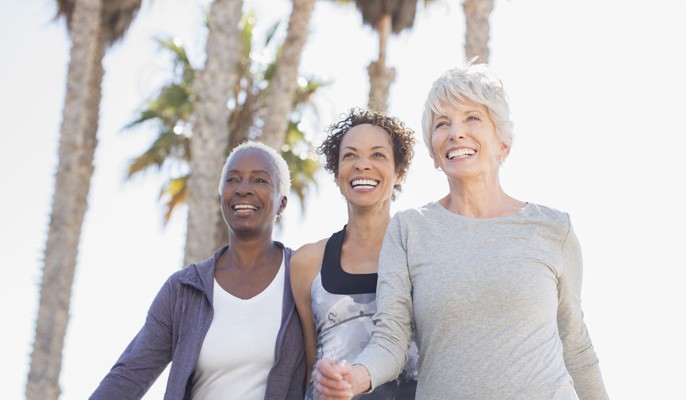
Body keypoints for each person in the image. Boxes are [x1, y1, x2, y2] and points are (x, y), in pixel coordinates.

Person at [312, 63, 609, 400]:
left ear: (503, 142)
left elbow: (576, 348)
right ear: (435, 154)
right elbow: (390, 341)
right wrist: (355, 377)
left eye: (472, 118)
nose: (455, 132)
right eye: (442, 123)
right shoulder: (410, 231)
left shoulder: (554, 230)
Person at [90, 141, 306, 400]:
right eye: (233, 180)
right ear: (221, 196)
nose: (243, 189)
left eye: (259, 180)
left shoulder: (303, 277)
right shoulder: (184, 289)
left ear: (281, 203)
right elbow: (129, 376)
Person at [291, 108, 419, 400]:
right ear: (337, 174)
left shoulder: (422, 252)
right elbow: (312, 369)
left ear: (399, 172)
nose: (363, 165)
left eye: (377, 155)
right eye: (350, 155)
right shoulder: (306, 263)